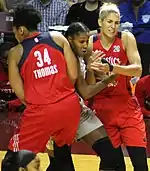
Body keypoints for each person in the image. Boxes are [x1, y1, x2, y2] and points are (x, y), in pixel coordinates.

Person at [2, 4, 81, 171]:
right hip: (70, 107)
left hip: (42, 110)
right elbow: (74, 75)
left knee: (11, 161)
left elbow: (21, 94)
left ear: (21, 30)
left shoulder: (16, 52)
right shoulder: (57, 38)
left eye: (15, 30)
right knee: (61, 156)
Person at [46, 22, 126, 171]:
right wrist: (109, 79)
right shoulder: (63, 57)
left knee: (111, 154)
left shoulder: (79, 57)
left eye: (87, 40)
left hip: (78, 111)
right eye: (81, 41)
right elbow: (86, 92)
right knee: (61, 166)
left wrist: (90, 69)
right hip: (58, 116)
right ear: (69, 40)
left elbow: (86, 90)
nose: (85, 45)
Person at [86, 2, 148, 171]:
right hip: (102, 108)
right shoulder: (91, 43)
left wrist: (112, 68)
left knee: (141, 165)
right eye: (109, 22)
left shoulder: (126, 38)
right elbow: (89, 85)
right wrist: (91, 70)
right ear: (100, 22)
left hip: (126, 106)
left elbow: (138, 70)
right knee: (111, 165)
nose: (113, 27)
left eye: (116, 22)